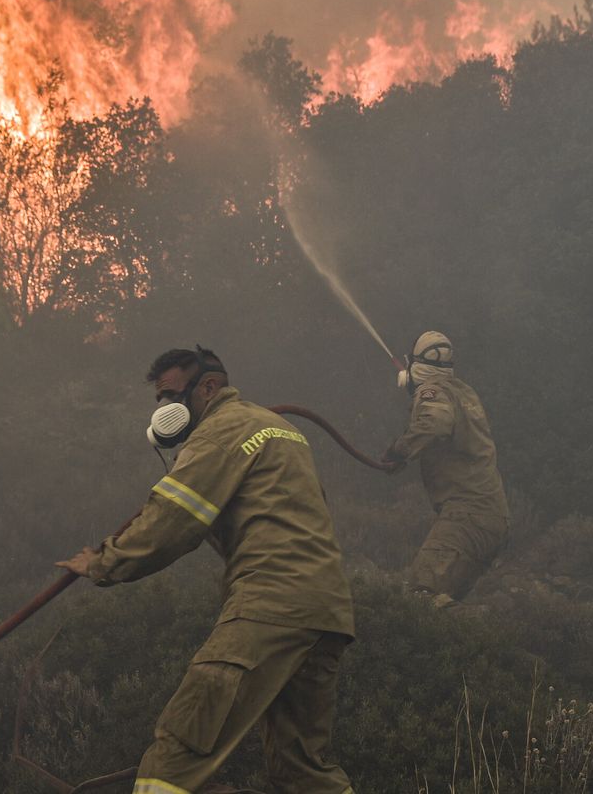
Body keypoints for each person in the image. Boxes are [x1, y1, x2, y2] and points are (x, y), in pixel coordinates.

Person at [57, 347, 357, 794]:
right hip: (325, 611)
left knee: (177, 754)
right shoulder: (280, 429)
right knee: (303, 772)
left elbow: (172, 523)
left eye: (172, 397)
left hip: (268, 606)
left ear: (209, 388)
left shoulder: (219, 433)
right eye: (160, 402)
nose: (165, 411)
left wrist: (102, 561)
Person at [383, 331, 509, 608]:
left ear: (415, 367)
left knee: (422, 592)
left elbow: (435, 423)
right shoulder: (463, 392)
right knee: (442, 601)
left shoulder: (433, 392)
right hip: (491, 519)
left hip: (467, 515)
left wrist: (399, 449)